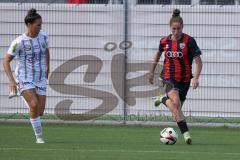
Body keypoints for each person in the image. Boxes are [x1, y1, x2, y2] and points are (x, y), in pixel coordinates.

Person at [149, 9, 202, 145]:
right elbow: (158, 54)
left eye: (178, 29)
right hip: (168, 77)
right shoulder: (164, 41)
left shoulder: (189, 41)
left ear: (182, 27)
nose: (176, 31)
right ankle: (186, 135)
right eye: (174, 29)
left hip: (184, 79)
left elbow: (198, 61)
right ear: (170, 27)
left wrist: (195, 78)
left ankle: (162, 99)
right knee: (176, 104)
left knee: (176, 109)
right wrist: (151, 71)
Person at [3, 8, 50, 144]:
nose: (40, 27)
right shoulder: (19, 42)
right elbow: (6, 60)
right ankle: (39, 137)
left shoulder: (44, 37)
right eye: (38, 25)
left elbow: (46, 51)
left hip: (40, 78)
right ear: (29, 25)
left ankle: (23, 95)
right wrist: (12, 81)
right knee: (34, 105)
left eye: (41, 25)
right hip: (24, 77)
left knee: (40, 112)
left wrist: (48, 67)